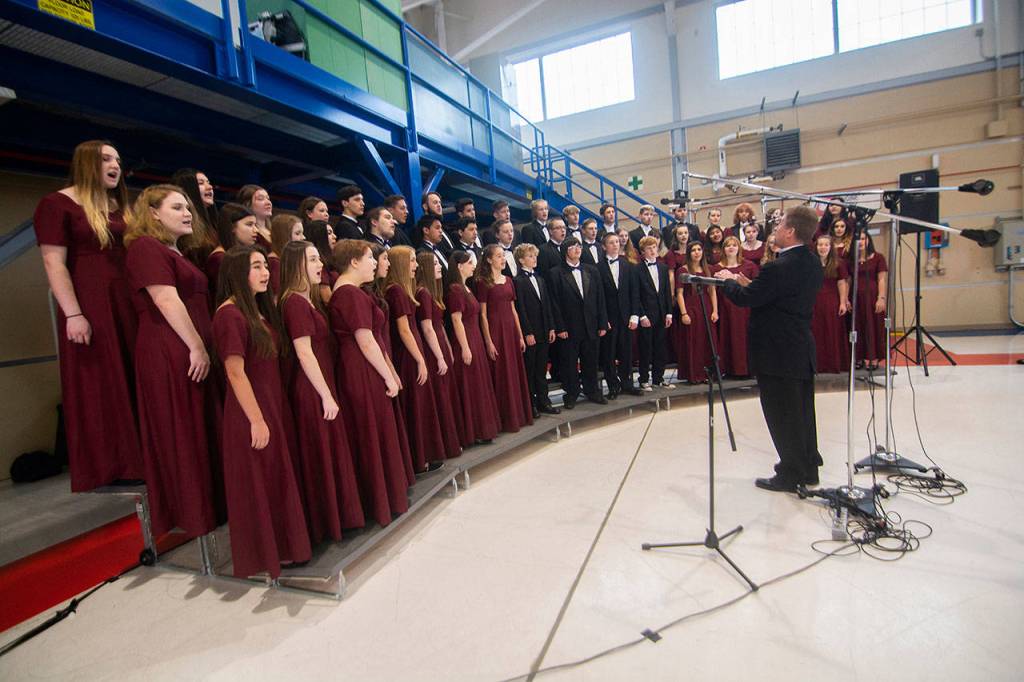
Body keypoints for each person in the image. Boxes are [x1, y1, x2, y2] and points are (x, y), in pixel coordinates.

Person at [33, 140, 142, 491]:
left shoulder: (119, 206)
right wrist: (73, 313)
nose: (115, 165)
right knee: (102, 378)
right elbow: (53, 263)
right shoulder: (57, 204)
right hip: (92, 302)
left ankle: (144, 454)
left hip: (126, 300)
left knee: (133, 372)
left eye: (118, 159)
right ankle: (115, 463)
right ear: (86, 163)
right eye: (106, 158)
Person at [212, 245, 311, 577]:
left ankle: (288, 546)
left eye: (265, 266)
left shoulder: (254, 310)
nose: (266, 273)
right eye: (256, 267)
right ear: (237, 273)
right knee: (264, 480)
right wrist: (256, 419)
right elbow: (235, 372)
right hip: (251, 410)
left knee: (278, 477)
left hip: (270, 402)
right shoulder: (230, 315)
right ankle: (272, 553)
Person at [124, 184, 216, 538]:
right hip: (171, 349)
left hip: (186, 345)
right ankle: (192, 513)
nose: (188, 213)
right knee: (182, 428)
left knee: (197, 428)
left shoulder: (174, 252)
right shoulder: (145, 248)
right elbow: (165, 300)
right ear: (152, 213)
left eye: (188, 207)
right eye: (178, 207)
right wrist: (197, 346)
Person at [714, 205, 824, 492]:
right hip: (799, 345)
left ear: (790, 231)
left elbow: (748, 300)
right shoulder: (811, 262)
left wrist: (728, 282)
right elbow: (774, 295)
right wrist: (748, 283)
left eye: (779, 224)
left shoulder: (778, 266)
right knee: (802, 411)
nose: (774, 228)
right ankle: (809, 466)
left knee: (782, 413)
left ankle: (790, 472)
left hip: (776, 351)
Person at [279, 240, 364, 543]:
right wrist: (326, 394)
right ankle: (328, 524)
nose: (320, 265)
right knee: (322, 455)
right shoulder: (294, 303)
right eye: (313, 259)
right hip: (313, 389)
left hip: (322, 383)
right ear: (296, 265)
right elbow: (304, 353)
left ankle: (339, 518)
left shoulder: (307, 300)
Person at [329, 240, 413, 526]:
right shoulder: (349, 294)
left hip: (366, 366)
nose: (375, 263)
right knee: (372, 431)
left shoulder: (353, 292)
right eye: (369, 258)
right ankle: (380, 502)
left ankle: (386, 498)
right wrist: (388, 375)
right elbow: (365, 340)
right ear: (353, 261)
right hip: (362, 370)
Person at [384, 246, 447, 472]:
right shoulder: (397, 291)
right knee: (415, 405)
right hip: (408, 355)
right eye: (411, 261)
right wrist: (420, 359)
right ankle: (419, 459)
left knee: (420, 404)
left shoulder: (401, 290)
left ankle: (424, 457)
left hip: (412, 351)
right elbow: (403, 330)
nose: (416, 265)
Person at [445, 250, 501, 443]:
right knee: (470, 386)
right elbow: (455, 319)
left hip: (474, 337)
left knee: (479, 385)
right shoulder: (455, 289)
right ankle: (472, 432)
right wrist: (465, 347)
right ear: (459, 266)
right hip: (466, 340)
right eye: (469, 263)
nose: (473, 266)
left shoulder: (465, 287)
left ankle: (482, 430)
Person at [476, 244, 533, 431]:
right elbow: (482, 315)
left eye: (503, 256)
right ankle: (504, 420)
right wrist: (488, 341)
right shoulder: (483, 282)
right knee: (501, 374)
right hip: (495, 331)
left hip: (510, 330)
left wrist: (520, 335)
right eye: (499, 256)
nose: (503, 259)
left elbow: (513, 310)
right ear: (489, 259)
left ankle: (520, 415)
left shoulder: (509, 280)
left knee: (515, 372)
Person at [548, 238, 608, 408]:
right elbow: (554, 303)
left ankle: (592, 391)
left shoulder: (592, 270)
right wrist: (560, 327)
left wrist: (602, 323)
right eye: (573, 246)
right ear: (566, 250)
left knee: (591, 360)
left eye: (579, 246)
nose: (577, 249)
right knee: (569, 362)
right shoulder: (555, 273)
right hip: (569, 326)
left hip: (591, 324)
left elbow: (600, 298)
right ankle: (572, 393)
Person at [414, 251, 464, 455]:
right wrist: (440, 357)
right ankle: (447, 444)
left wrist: (448, 349)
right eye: (434, 263)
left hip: (441, 345)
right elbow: (427, 328)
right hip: (433, 349)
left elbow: (439, 325)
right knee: (441, 396)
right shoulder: (423, 292)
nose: (439, 266)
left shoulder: (431, 293)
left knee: (447, 394)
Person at [512, 243, 560, 416]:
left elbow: (546, 305)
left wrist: (551, 327)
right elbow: (520, 309)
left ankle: (544, 401)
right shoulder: (518, 281)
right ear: (521, 259)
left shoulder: (540, 279)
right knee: (530, 369)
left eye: (535, 256)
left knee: (541, 369)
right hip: (531, 332)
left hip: (544, 330)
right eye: (531, 256)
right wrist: (527, 333)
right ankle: (530, 404)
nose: (535, 259)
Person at [598, 231, 642, 397]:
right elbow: (599, 296)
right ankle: (613, 387)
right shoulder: (598, 267)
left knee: (626, 351)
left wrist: (634, 315)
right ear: (604, 246)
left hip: (626, 316)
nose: (616, 245)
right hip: (609, 318)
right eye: (611, 242)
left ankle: (627, 384)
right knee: (609, 353)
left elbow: (634, 292)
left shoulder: (628, 265)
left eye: (617, 242)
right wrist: (603, 319)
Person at [711, 236, 757, 377]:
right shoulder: (716, 268)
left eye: (734, 245)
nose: (731, 248)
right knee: (728, 336)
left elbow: (755, 286)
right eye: (728, 245)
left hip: (744, 308)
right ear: (723, 249)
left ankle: (748, 369)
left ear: (739, 248)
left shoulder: (749, 266)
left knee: (744, 338)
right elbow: (713, 291)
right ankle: (730, 369)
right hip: (726, 307)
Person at [675, 241, 718, 384]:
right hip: (691, 309)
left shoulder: (708, 269)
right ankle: (694, 374)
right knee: (694, 341)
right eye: (693, 250)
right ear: (689, 253)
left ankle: (707, 374)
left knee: (707, 341)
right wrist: (684, 313)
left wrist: (715, 311)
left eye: (699, 249)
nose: (697, 252)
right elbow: (679, 293)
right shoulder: (682, 270)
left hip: (706, 308)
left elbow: (712, 292)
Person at [635, 236, 672, 390]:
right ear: (643, 252)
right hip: (646, 315)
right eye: (649, 248)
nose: (652, 250)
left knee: (660, 347)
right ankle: (644, 379)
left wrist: (669, 313)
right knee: (645, 348)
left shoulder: (663, 268)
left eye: (654, 247)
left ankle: (658, 378)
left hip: (661, 313)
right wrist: (642, 315)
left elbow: (666, 292)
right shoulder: (637, 269)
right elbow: (635, 295)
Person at [811, 235, 850, 374]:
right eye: (820, 245)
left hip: (831, 301)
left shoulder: (838, 263)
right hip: (814, 301)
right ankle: (817, 364)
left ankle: (833, 364)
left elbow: (842, 283)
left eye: (826, 245)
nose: (823, 248)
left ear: (830, 247)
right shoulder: (811, 263)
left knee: (832, 331)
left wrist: (843, 302)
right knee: (816, 332)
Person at [850, 231, 888, 370]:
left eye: (863, 239)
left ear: (868, 240)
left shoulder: (878, 258)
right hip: (855, 297)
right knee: (857, 327)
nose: (860, 242)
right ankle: (858, 357)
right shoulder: (851, 259)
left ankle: (873, 358)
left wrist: (881, 298)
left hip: (872, 297)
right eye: (858, 239)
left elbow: (882, 279)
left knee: (873, 327)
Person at [170, 168, 218, 268]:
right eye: (201, 183)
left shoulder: (214, 224)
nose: (210, 187)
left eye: (208, 182)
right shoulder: (184, 224)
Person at [208, 203, 258, 294]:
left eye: (255, 225)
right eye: (249, 224)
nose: (256, 230)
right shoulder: (219, 258)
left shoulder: (235, 254)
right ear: (232, 227)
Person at [268, 214, 305, 292]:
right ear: (284, 236)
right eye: (297, 233)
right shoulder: (274, 263)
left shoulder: (285, 260)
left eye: (302, 233)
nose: (303, 237)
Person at [304, 219, 337, 304]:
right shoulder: (319, 263)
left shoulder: (331, 259)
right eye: (329, 233)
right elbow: (327, 298)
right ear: (319, 237)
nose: (335, 236)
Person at [236, 185, 273, 250]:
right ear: (248, 204)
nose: (268, 202)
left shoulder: (274, 231)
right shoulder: (250, 234)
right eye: (261, 199)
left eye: (268, 198)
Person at [422, 190, 455, 256]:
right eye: (435, 202)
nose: (439, 205)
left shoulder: (443, 226)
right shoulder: (419, 228)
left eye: (440, 203)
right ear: (425, 206)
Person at [416, 213, 450, 278]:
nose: (441, 231)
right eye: (437, 228)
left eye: (441, 228)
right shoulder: (422, 252)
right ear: (426, 230)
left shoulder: (440, 248)